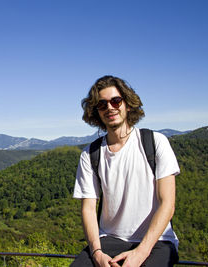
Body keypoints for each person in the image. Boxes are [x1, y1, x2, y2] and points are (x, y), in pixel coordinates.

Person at [71, 75, 180, 267]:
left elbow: (167, 204)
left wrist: (140, 253)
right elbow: (88, 208)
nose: (110, 108)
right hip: (108, 240)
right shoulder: (90, 155)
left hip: (157, 241)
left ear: (127, 104)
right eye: (102, 104)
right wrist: (97, 253)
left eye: (116, 101)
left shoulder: (155, 143)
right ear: (96, 111)